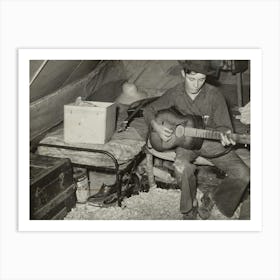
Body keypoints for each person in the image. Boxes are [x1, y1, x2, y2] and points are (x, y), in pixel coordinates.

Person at [143, 60, 250, 219]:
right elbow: (149, 109)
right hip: (185, 144)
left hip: (210, 142)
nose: (196, 85)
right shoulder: (175, 92)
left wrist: (226, 136)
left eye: (201, 79)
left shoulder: (214, 95)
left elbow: (224, 127)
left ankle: (213, 197)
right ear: (183, 74)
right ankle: (189, 208)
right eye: (191, 79)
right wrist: (157, 127)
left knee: (244, 174)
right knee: (182, 168)